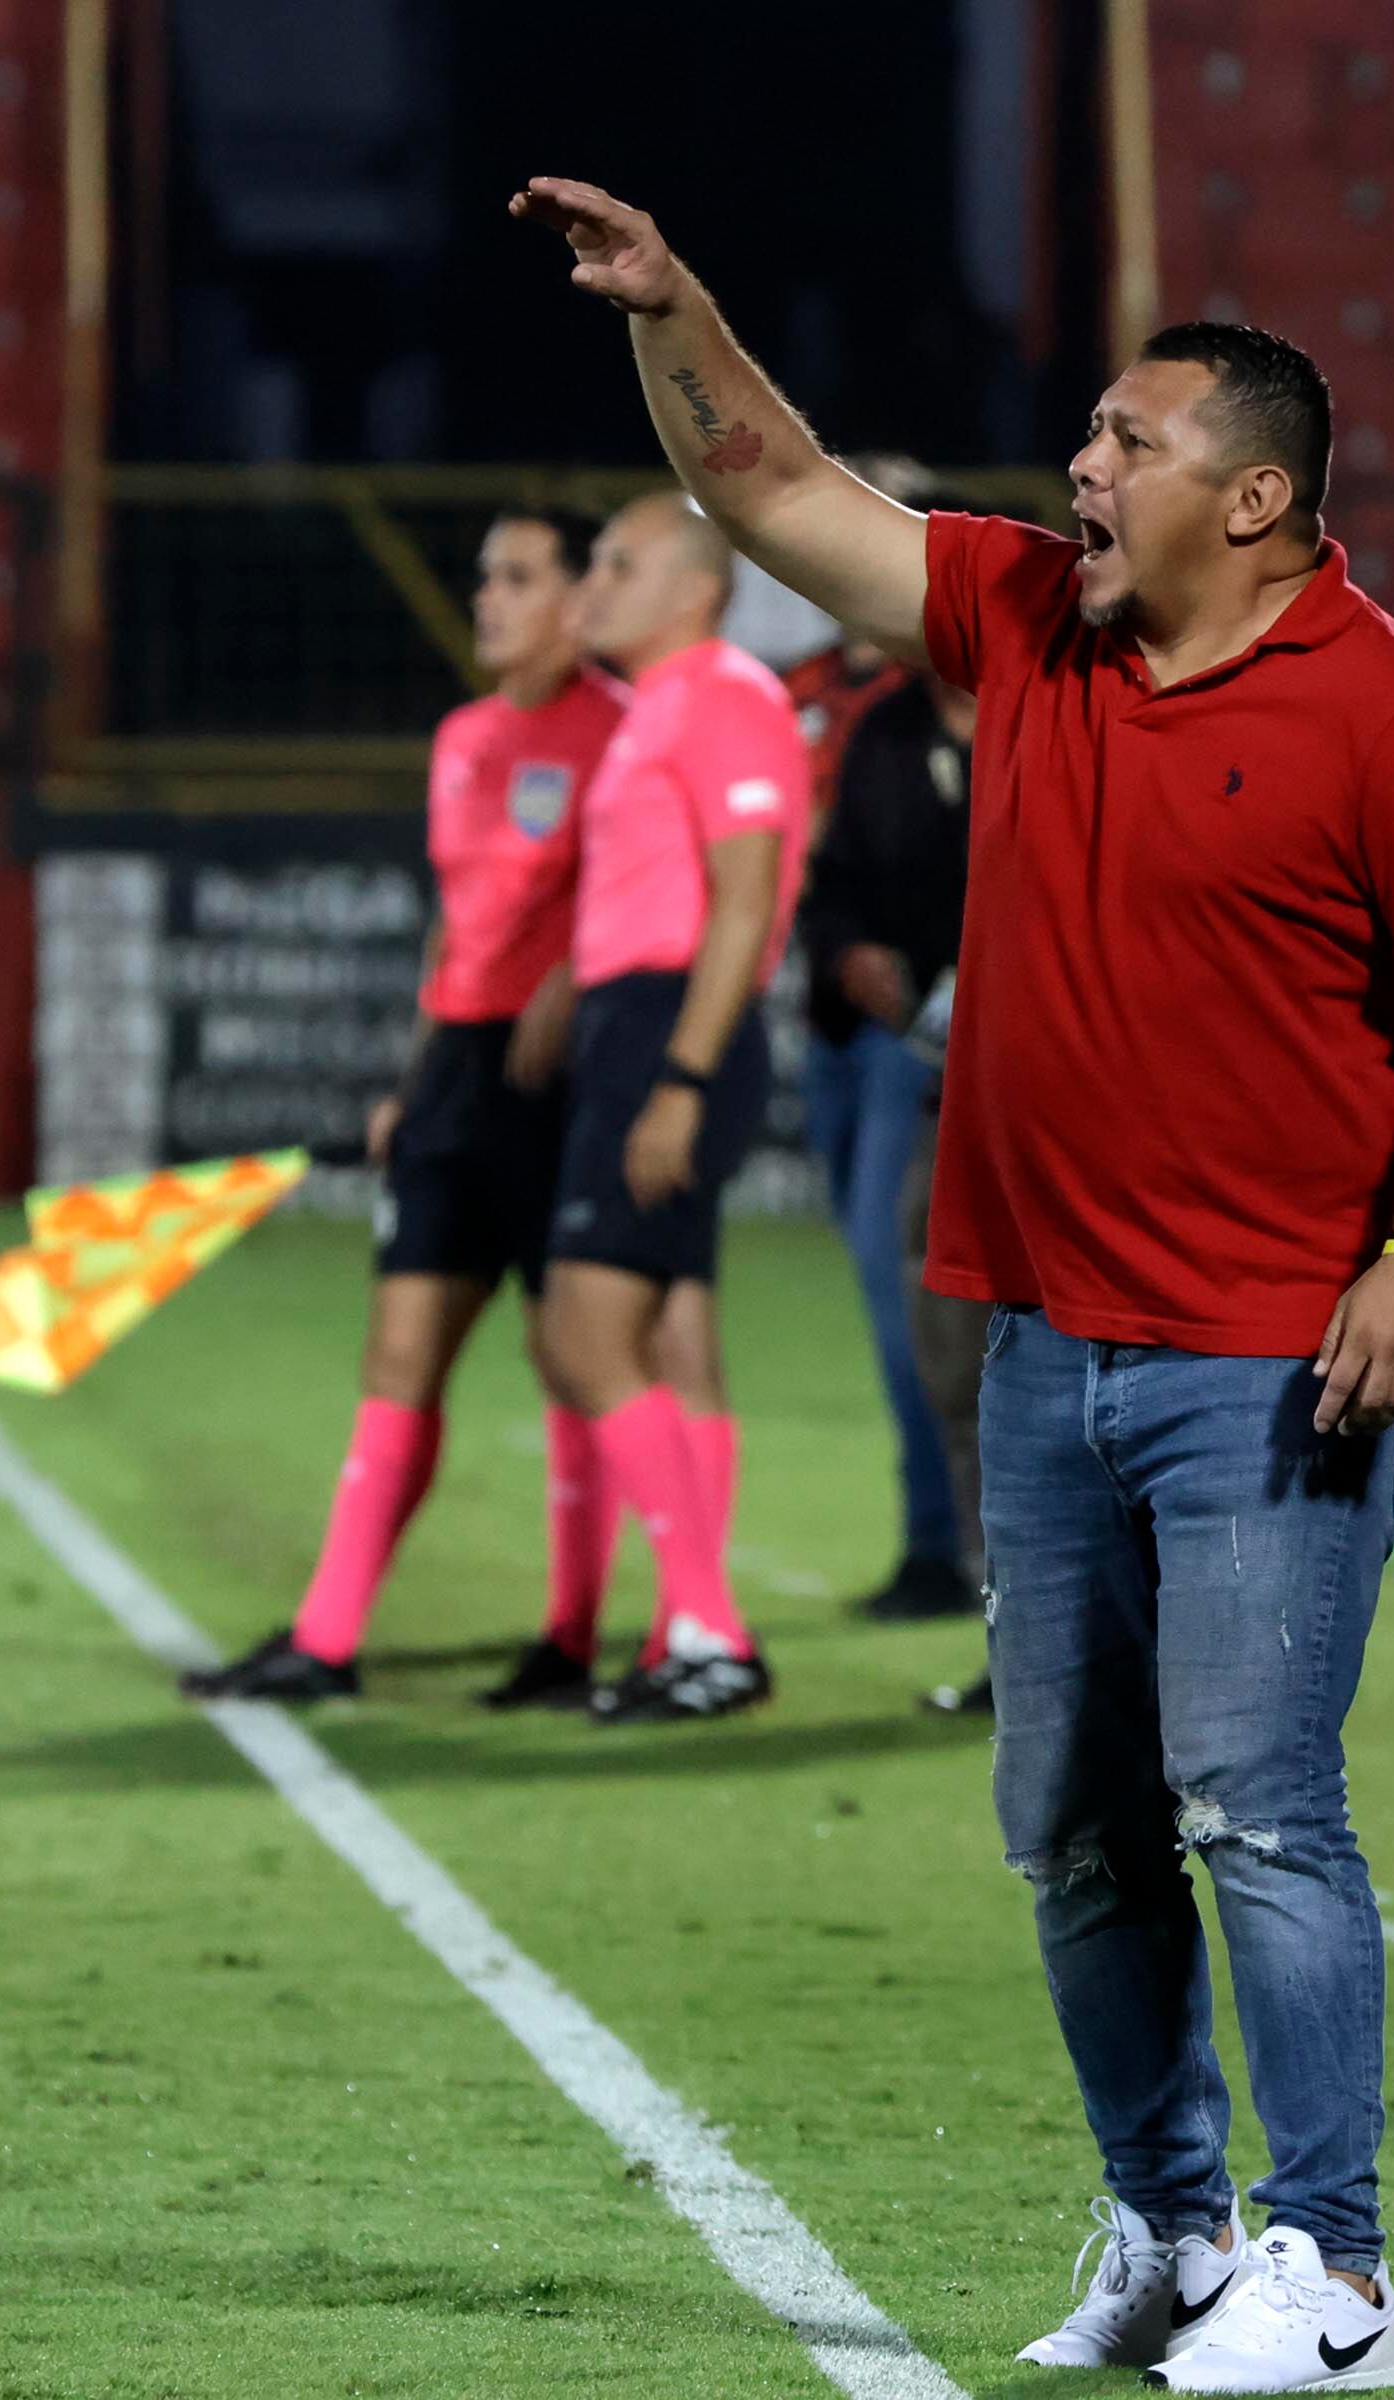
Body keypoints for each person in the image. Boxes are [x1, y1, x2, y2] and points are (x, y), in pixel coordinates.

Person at [518, 177, 1394, 2389]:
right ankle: (1178, 2235)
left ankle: (1343, 2278)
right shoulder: (1025, 619)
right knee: (1074, 1830)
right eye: (1085, 436)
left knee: (1259, 1806)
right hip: (1042, 1348)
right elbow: (774, 483)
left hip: (1270, 1355)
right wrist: (674, 303)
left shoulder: (1392, 707)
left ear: (1256, 497)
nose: (1078, 468)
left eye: (1127, 441)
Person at [183, 508, 627, 1704]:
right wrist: (411, 1076)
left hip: (563, 1081)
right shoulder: (464, 737)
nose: (488, 598)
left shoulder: (625, 733)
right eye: (484, 575)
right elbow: (458, 919)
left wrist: (575, 980)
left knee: (569, 1357)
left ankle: (571, 1638)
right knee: (399, 1349)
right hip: (457, 1075)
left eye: (518, 577)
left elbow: (658, 895)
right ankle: (326, 1640)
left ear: (582, 600)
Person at [525, 491, 809, 1725]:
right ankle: (687, 1632)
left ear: (695, 588)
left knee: (583, 1334)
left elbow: (742, 905)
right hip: (637, 1024)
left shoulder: (725, 693)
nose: (599, 584)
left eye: (621, 564)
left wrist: (679, 1080)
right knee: (671, 1336)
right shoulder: (660, 707)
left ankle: (710, 1628)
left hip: (671, 1031)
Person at [799, 633, 982, 1622]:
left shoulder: (1047, 722)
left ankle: (947, 1550)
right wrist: (848, 950)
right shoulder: (888, 727)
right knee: (906, 1299)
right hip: (864, 1034)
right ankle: (943, 1545)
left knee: (913, 1292)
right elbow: (833, 880)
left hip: (959, 1059)